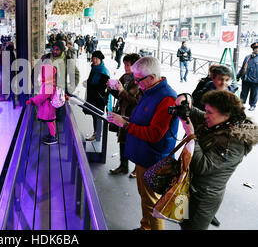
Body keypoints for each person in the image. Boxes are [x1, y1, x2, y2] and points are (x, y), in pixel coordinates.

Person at [106, 56, 178, 230]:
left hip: (153, 157)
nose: (136, 83)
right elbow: (143, 120)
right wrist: (125, 119)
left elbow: (154, 134)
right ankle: (146, 226)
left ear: (151, 78)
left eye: (138, 80)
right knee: (145, 197)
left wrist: (126, 124)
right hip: (143, 154)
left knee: (152, 203)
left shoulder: (166, 98)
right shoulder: (151, 91)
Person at [175, 90, 257, 230]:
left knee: (192, 227)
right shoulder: (222, 123)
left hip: (201, 198)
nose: (205, 115)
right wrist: (186, 99)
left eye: (209, 112)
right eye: (206, 110)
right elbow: (196, 113)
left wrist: (191, 135)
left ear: (227, 114)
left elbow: (202, 166)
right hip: (186, 188)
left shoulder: (235, 143)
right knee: (181, 222)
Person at [107, 53, 141, 178]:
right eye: (125, 64)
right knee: (122, 141)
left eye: (128, 64)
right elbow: (121, 97)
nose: (125, 67)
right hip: (123, 113)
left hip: (133, 115)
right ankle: (123, 166)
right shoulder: (125, 77)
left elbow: (136, 100)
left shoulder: (139, 80)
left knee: (134, 142)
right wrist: (112, 88)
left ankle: (137, 169)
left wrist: (121, 90)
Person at [27, 65, 58, 145]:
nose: (40, 75)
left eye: (42, 74)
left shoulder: (48, 85)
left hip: (47, 108)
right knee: (51, 121)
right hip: (49, 107)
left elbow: (42, 97)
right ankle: (52, 134)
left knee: (50, 122)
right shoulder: (50, 83)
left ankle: (53, 137)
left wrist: (32, 101)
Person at [84, 51, 110, 142]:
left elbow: (102, 87)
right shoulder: (94, 68)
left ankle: (97, 134)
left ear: (100, 59)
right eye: (93, 58)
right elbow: (90, 80)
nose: (94, 60)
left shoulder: (104, 71)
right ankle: (96, 133)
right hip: (92, 96)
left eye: (96, 59)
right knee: (94, 116)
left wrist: (90, 85)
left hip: (99, 98)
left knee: (97, 116)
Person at [237, 42, 258, 111]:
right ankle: (241, 104)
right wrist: (238, 76)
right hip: (245, 79)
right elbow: (243, 68)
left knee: (254, 94)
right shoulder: (248, 57)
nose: (257, 50)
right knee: (243, 93)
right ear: (253, 49)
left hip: (255, 81)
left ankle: (252, 105)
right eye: (255, 48)